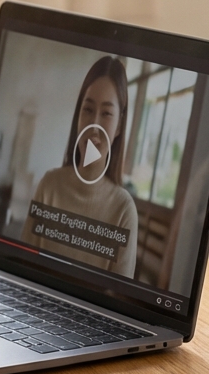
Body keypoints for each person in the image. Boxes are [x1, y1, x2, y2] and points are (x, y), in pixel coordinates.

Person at [23, 56, 139, 277]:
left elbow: (118, 300)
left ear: (119, 126)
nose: (94, 125)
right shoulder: (49, 185)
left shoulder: (123, 210)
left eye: (106, 113)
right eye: (87, 109)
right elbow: (24, 268)